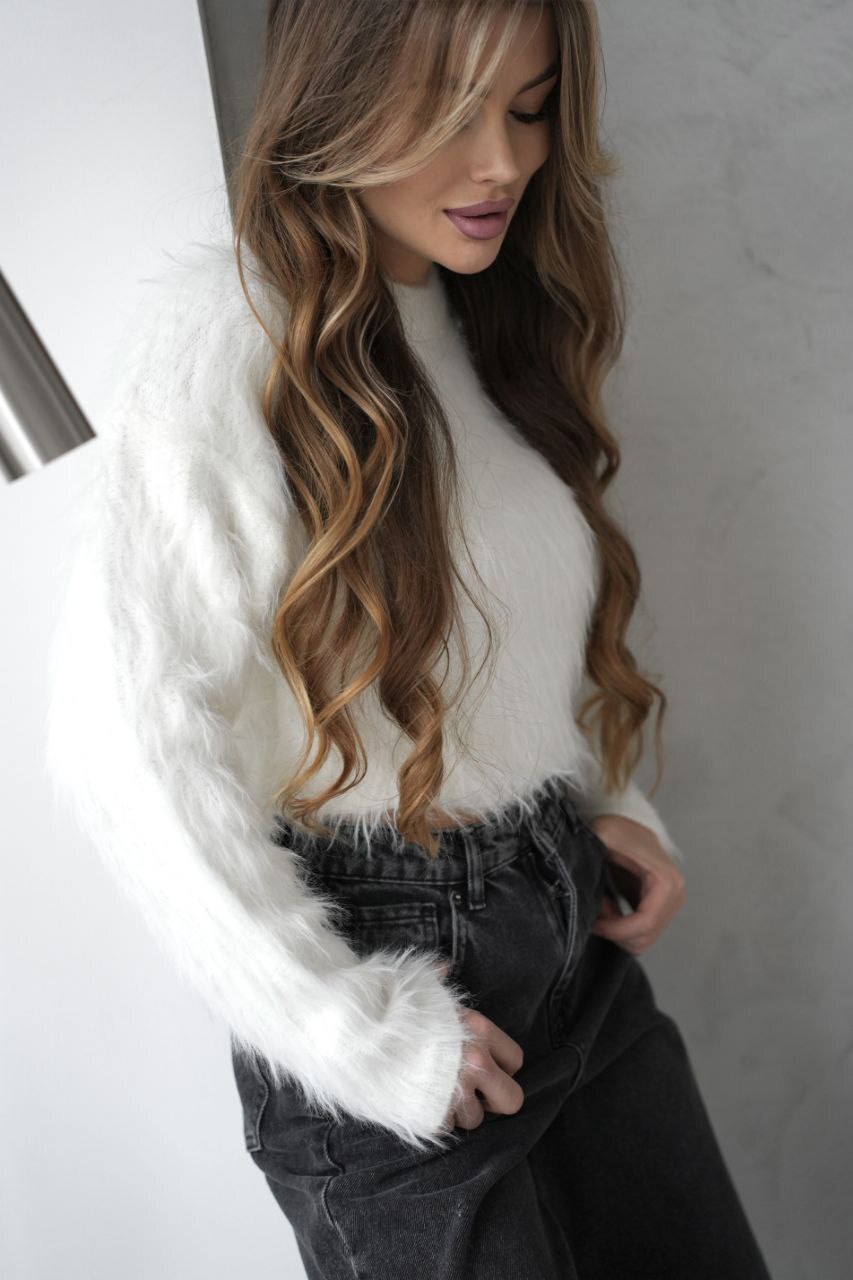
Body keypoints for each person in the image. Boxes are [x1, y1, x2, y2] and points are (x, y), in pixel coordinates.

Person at [45, 0, 773, 1276]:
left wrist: (609, 805)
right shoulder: (233, 334)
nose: (502, 162)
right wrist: (353, 1032)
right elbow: (120, 742)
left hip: (576, 957)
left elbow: (502, 642)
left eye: (530, 110)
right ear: (337, 95)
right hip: (388, 983)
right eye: (449, 112)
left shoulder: (480, 320)